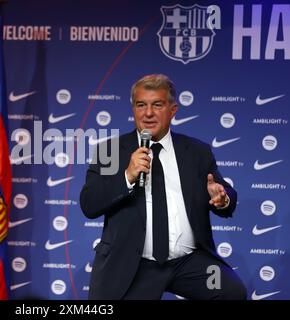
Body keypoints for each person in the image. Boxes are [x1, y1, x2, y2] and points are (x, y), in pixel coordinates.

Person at [80, 74, 246, 300]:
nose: (148, 113)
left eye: (157, 105)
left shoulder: (196, 152)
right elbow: (89, 204)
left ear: (173, 109)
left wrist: (222, 198)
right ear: (133, 109)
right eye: (141, 105)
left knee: (231, 292)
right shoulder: (110, 151)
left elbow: (223, 191)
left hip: (189, 263)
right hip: (134, 266)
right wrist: (127, 176)